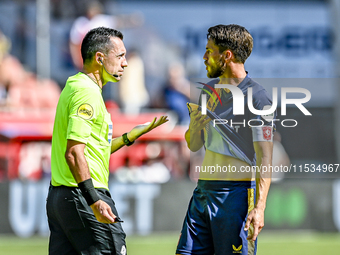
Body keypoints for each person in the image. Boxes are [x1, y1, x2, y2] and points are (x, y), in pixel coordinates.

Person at [47, 27, 168, 255]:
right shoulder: (88, 94)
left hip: (60, 197)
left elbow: (92, 150)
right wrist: (93, 201)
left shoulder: (74, 86)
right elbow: (73, 153)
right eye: (120, 56)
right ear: (100, 58)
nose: (125, 63)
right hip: (82, 195)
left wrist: (130, 136)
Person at [176, 24, 274, 255]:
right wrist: (195, 128)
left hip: (236, 197)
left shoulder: (259, 99)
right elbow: (194, 144)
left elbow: (265, 157)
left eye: (209, 50)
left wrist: (259, 208)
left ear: (226, 55)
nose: (204, 57)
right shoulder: (208, 92)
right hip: (202, 193)